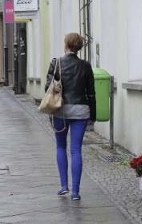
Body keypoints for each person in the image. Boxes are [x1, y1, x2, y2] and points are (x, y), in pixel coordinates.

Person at [45, 32, 96, 201]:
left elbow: (48, 87)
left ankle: (63, 186)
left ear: (66, 44)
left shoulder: (56, 63)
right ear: (79, 47)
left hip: (60, 110)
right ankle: (75, 192)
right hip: (81, 110)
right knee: (76, 150)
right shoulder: (86, 66)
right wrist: (93, 115)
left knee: (60, 147)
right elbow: (91, 93)